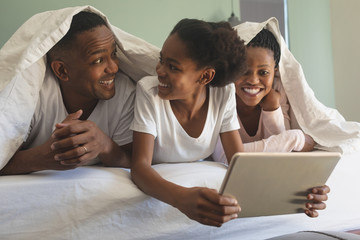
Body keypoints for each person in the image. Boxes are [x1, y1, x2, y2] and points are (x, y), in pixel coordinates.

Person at [130, 18, 247, 227]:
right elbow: (139, 167)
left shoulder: (223, 94)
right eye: (161, 59)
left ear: (205, 77)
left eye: (173, 67)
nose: (159, 70)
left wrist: (299, 194)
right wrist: (181, 198)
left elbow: (239, 163)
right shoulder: (149, 92)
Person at [0, 11, 136, 175]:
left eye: (113, 54)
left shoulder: (125, 93)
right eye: (98, 60)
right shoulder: (32, 95)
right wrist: (43, 157)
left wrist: (105, 145)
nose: (114, 68)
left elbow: (135, 160)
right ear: (62, 70)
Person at [213, 28, 328, 218]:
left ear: (275, 72)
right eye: (243, 71)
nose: (253, 80)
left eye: (263, 72)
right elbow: (226, 157)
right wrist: (296, 138)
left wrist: (272, 109)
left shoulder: (279, 93)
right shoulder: (221, 96)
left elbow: (284, 154)